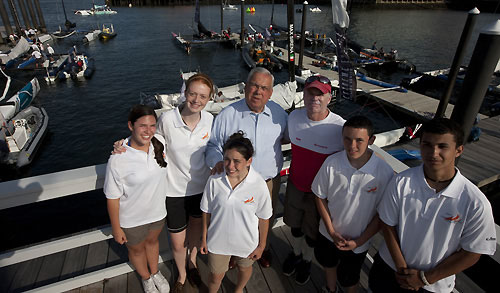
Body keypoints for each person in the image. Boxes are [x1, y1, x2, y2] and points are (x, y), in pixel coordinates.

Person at [369, 118, 497, 293]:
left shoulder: (475, 202)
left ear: (458, 150)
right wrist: (402, 270)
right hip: (389, 270)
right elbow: (387, 224)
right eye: (427, 145)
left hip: (433, 285)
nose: (433, 152)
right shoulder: (401, 182)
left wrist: (425, 278)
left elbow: (472, 252)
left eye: (442, 146)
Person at [113, 73, 215, 293]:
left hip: (201, 190)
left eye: (203, 96)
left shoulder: (210, 120)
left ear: (209, 99)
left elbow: (215, 148)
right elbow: (149, 141)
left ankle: (193, 263)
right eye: (193, 94)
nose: (197, 100)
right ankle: (182, 273)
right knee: (178, 243)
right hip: (174, 192)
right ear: (185, 93)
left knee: (195, 236)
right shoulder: (168, 120)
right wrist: (123, 144)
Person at [205, 67, 288, 268]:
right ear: (246, 87)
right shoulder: (227, 114)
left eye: (264, 88)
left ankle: (263, 248)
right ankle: (234, 253)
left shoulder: (279, 114)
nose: (258, 91)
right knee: (233, 221)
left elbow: (289, 137)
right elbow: (213, 144)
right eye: (254, 86)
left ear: (270, 92)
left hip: (267, 182)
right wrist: (217, 161)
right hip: (234, 182)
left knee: (264, 217)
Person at [312, 116, 394, 293]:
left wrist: (360, 241)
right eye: (347, 139)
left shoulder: (384, 172)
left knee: (350, 277)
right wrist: (332, 231)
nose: (352, 146)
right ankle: (331, 288)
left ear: (371, 140)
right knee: (329, 263)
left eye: (359, 140)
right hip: (328, 233)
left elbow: (383, 213)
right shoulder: (332, 163)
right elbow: (319, 196)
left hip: (359, 241)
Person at [282, 75, 345, 285]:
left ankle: (307, 260)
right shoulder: (293, 118)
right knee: (295, 226)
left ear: (329, 97)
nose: (315, 98)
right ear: (304, 94)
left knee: (312, 232)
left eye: (321, 94)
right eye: (311, 92)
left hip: (321, 193)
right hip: (295, 184)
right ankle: (296, 254)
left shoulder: (340, 127)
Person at [104, 105, 171, 293]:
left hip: (157, 213)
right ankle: (146, 278)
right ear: (130, 126)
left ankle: (155, 272)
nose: (148, 131)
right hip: (132, 219)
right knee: (136, 250)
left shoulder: (160, 142)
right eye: (142, 126)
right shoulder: (119, 159)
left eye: (152, 125)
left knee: (153, 243)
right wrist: (116, 228)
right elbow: (112, 197)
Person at [200, 131, 272, 293]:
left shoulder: (259, 184)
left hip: (247, 243)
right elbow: (206, 210)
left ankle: (238, 290)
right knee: (215, 277)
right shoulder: (214, 180)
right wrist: (204, 238)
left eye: (237, 161)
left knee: (244, 269)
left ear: (249, 161)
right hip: (217, 242)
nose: (230, 166)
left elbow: (264, 218)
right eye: (227, 159)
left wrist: (261, 246)